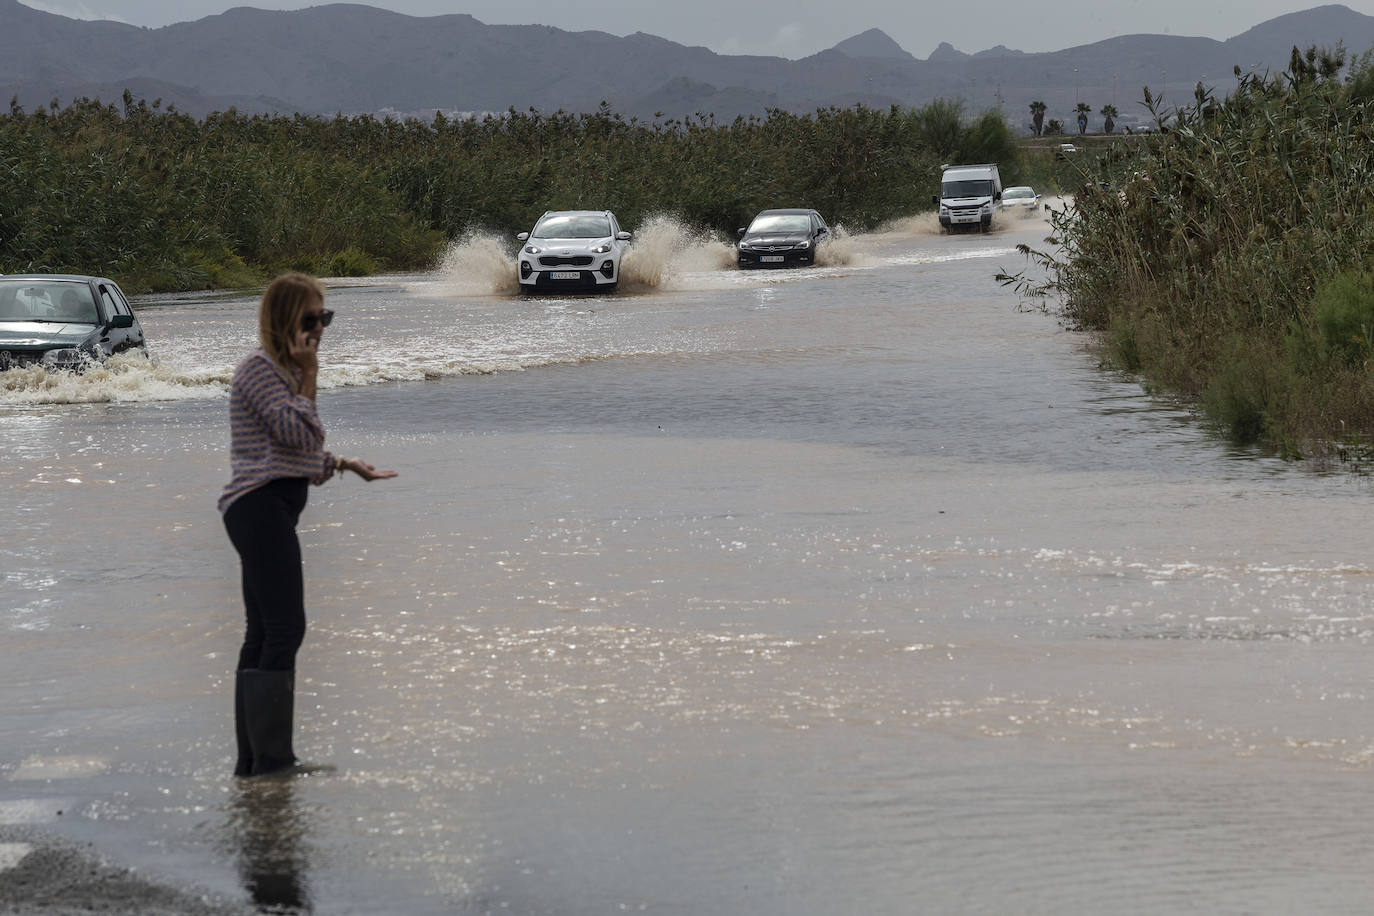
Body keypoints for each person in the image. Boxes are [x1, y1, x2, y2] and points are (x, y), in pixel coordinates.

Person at [218, 273, 397, 777]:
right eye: (311, 319)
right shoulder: (262, 370)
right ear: (284, 319)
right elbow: (298, 434)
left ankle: (254, 762)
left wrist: (343, 465)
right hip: (258, 508)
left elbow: (292, 454)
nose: (320, 328)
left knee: (262, 634)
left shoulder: (281, 372)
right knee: (285, 629)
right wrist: (312, 373)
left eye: (325, 319)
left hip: (264, 505)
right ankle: (272, 761)